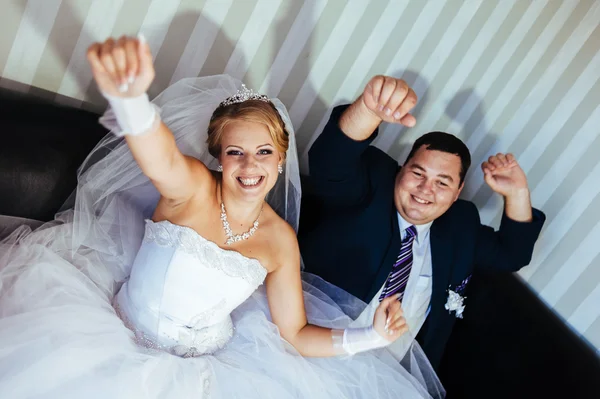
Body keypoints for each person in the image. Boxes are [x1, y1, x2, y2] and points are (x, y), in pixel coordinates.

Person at [0, 37, 444, 398]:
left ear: (280, 159)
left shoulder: (280, 240)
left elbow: (295, 333)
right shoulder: (191, 188)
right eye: (236, 152)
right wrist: (131, 100)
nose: (250, 167)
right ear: (218, 157)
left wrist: (372, 337)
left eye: (264, 153)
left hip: (211, 371)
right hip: (116, 336)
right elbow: (159, 155)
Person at [299, 75, 546, 370]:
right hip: (315, 347)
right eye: (418, 174)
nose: (425, 190)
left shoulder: (460, 226)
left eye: (442, 183)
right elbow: (329, 161)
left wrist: (517, 193)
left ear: (457, 193)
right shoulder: (373, 184)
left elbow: (512, 254)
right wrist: (368, 110)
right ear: (401, 171)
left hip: (392, 378)